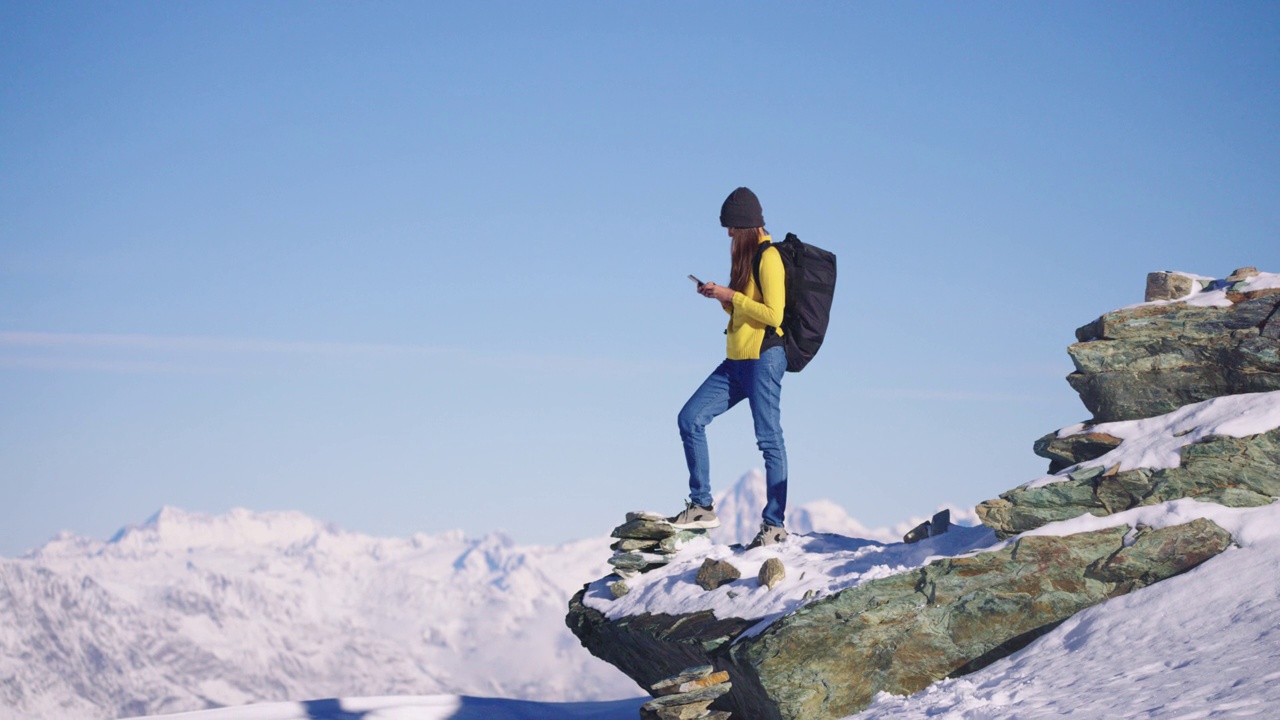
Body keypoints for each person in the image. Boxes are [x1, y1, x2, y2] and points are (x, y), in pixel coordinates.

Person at [667, 187, 789, 549]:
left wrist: (731, 296)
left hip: (764, 358)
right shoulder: (747, 258)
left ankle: (774, 525)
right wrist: (721, 298)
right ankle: (702, 506)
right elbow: (745, 308)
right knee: (690, 418)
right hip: (736, 360)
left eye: (732, 227)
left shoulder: (769, 258)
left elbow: (774, 315)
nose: (729, 234)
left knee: (769, 440)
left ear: (746, 225)